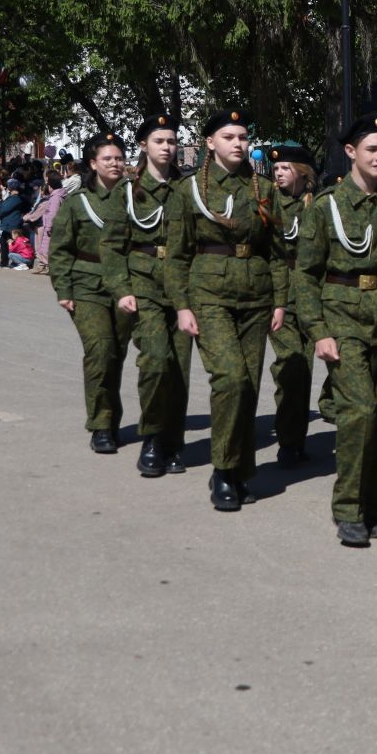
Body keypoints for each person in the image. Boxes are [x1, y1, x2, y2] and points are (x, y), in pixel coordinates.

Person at [289, 114, 377, 546]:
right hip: (342, 320)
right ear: (351, 153)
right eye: (374, 150)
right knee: (360, 412)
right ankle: (348, 508)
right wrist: (318, 330)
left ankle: (374, 505)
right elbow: (306, 275)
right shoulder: (326, 206)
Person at [166, 109, 288, 512]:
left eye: (243, 137)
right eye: (229, 137)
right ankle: (223, 469)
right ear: (210, 143)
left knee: (248, 386)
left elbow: (277, 252)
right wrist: (182, 305)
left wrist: (280, 301)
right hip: (209, 293)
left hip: (256, 295)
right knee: (231, 379)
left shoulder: (263, 188)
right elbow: (178, 255)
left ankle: (239, 469)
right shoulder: (189, 191)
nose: (239, 144)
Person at [107, 114, 194, 477]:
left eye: (172, 142)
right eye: (160, 141)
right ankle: (153, 437)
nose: (168, 148)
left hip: (183, 287)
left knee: (179, 369)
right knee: (156, 360)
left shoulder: (190, 189)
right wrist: (121, 289)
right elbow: (112, 247)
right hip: (143, 283)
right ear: (144, 146)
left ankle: (173, 441)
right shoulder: (127, 191)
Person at [48, 133, 131, 455]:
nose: (115, 163)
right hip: (87, 285)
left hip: (125, 285)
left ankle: (111, 418)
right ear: (93, 164)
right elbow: (60, 250)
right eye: (108, 158)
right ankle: (100, 425)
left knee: (117, 355)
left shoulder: (135, 198)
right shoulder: (76, 202)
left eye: (119, 158)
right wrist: (63, 289)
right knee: (100, 351)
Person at [266, 144, 316, 468]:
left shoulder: (318, 205)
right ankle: (287, 441)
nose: (279, 173)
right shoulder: (269, 204)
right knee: (289, 368)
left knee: (306, 372)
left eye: (285, 168)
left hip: (312, 296)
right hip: (280, 296)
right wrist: (277, 301)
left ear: (302, 171)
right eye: (276, 168)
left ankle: (297, 440)